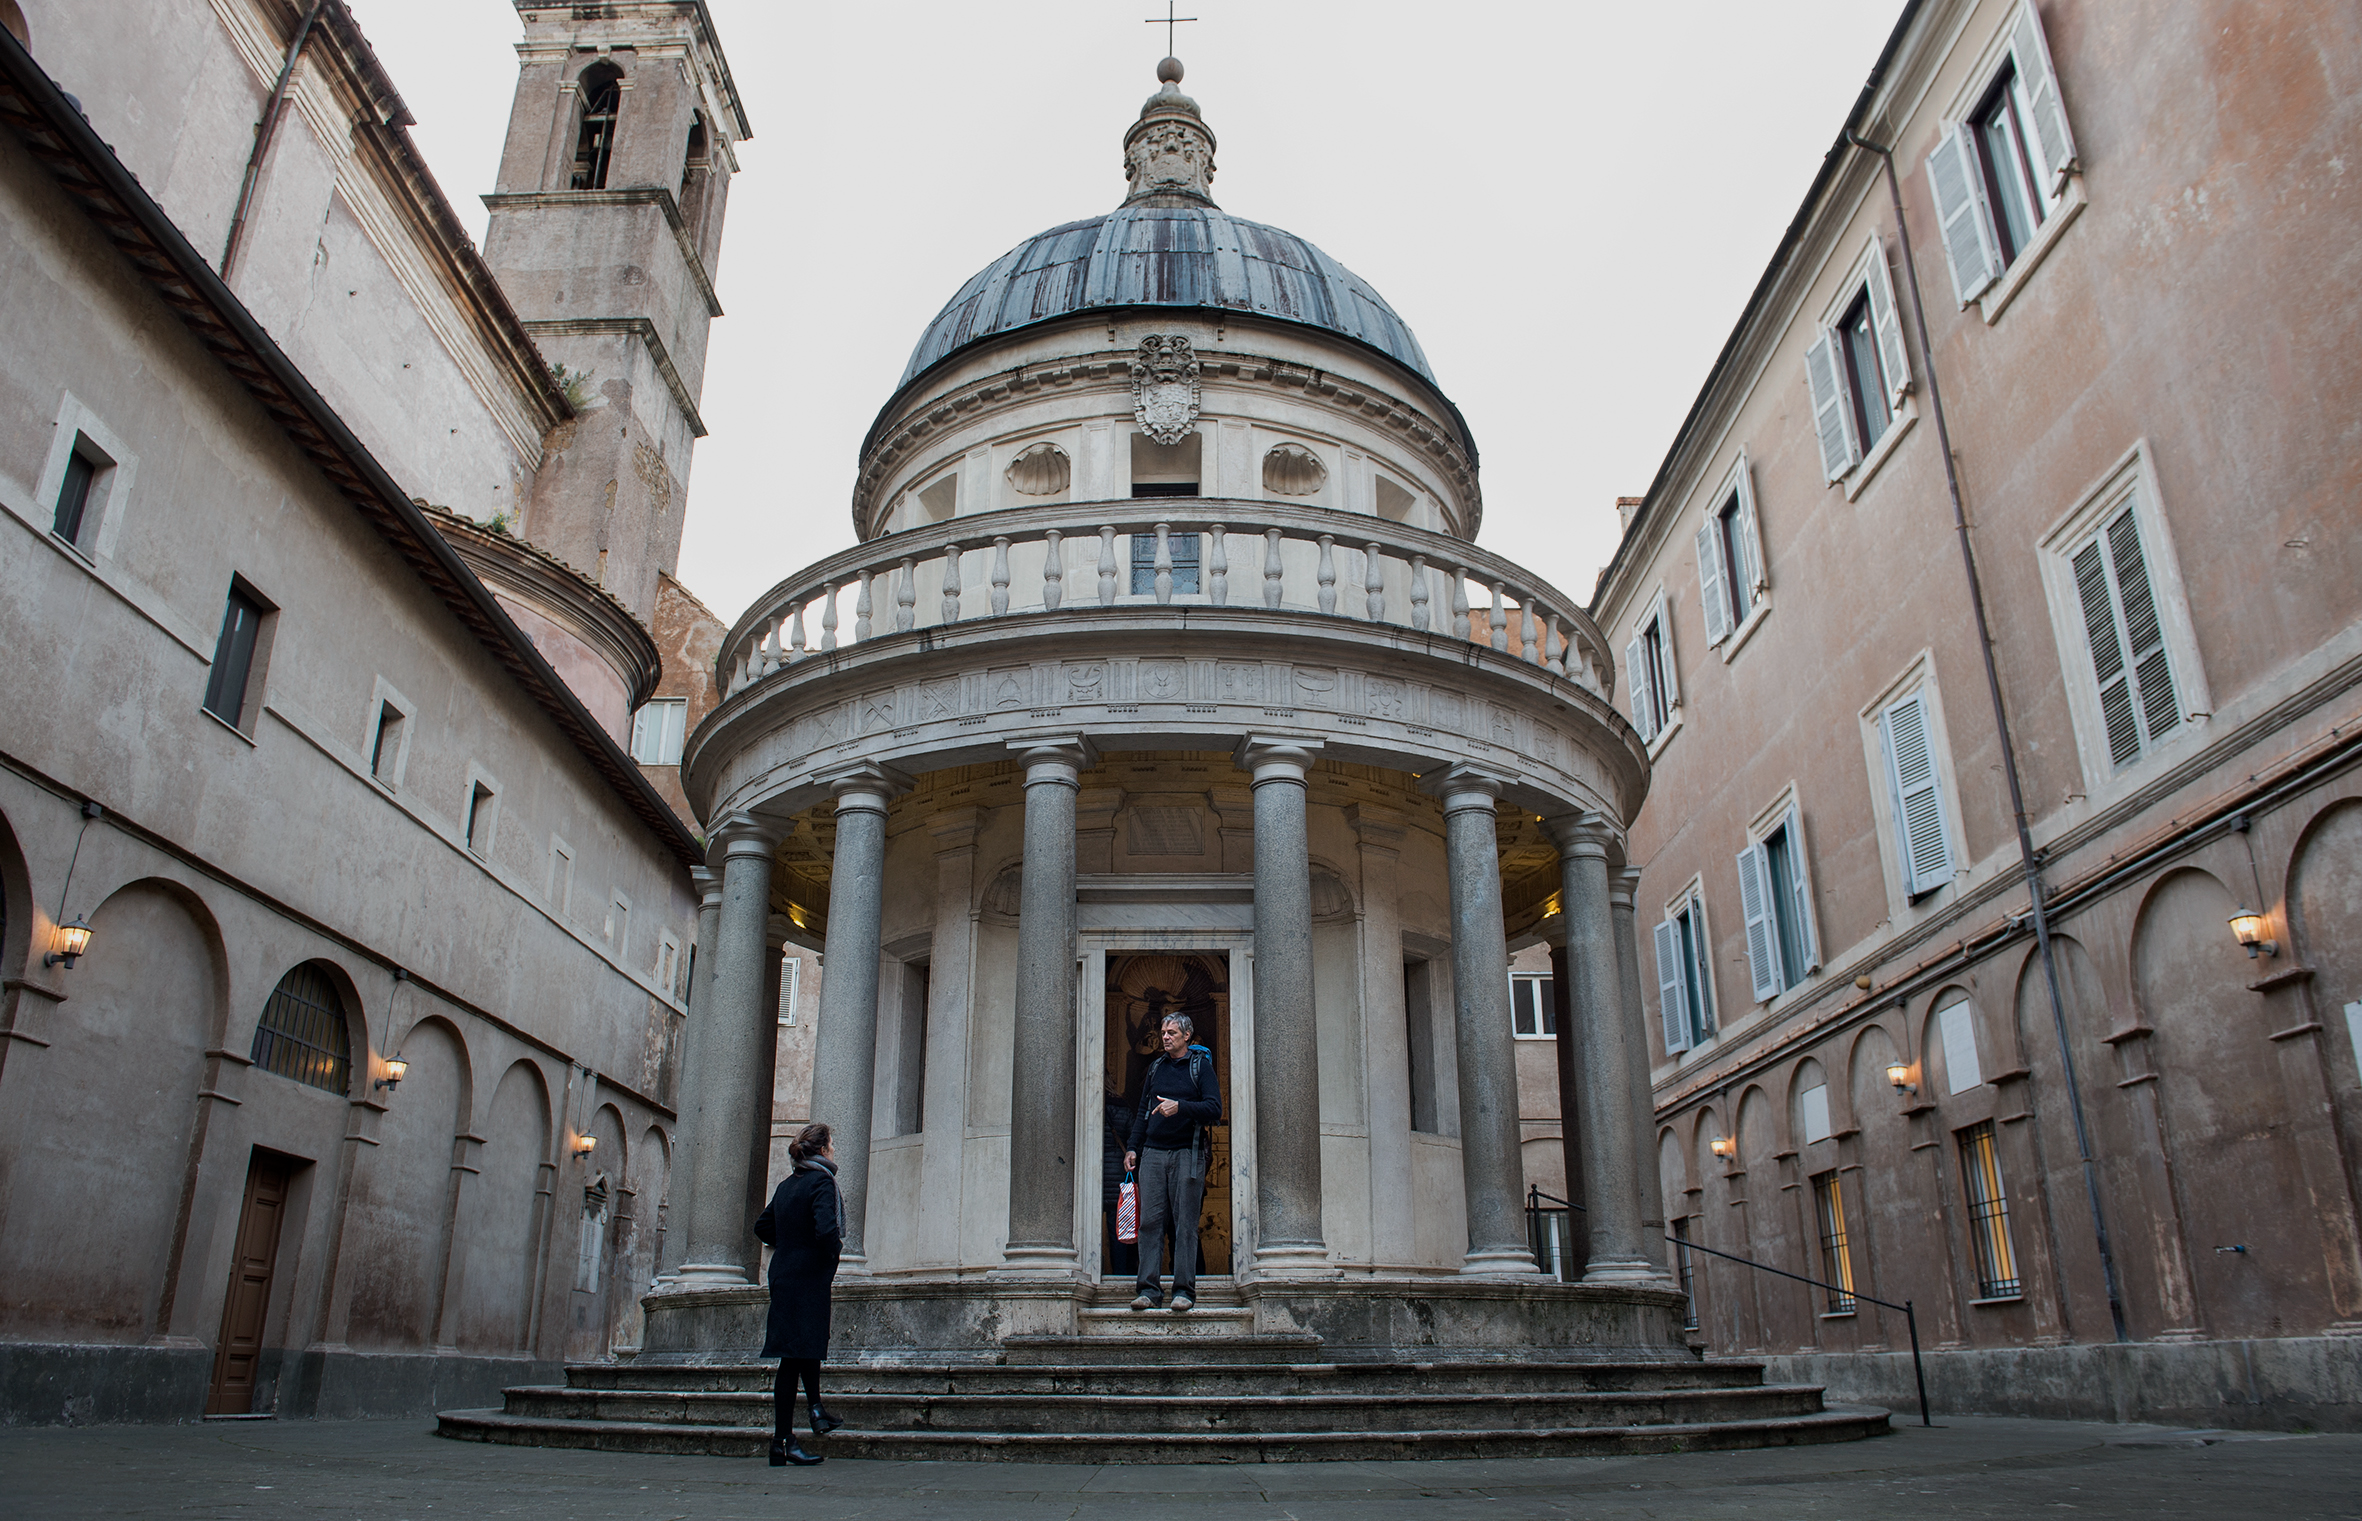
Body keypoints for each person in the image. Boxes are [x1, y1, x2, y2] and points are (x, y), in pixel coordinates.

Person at [753, 1122, 844, 1466]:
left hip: (784, 1275)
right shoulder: (821, 1181)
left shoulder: (786, 1185)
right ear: (821, 1150)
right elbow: (826, 1230)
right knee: (793, 1358)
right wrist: (830, 1252)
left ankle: (815, 1412)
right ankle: (783, 1440)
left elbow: (762, 1226)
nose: (833, 1150)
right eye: (831, 1145)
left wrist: (789, 1243)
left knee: (800, 1350)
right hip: (808, 1277)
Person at [1124, 1013, 1220, 1311]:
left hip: (1186, 1153)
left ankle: (1183, 1291)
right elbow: (1143, 1111)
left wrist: (1180, 1107)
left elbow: (1214, 1108)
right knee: (1149, 1223)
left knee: (1185, 1225)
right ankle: (1149, 1291)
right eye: (1164, 1032)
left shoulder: (1199, 1067)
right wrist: (1132, 1148)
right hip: (1152, 1153)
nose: (1165, 1037)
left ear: (1187, 1036)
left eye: (1172, 1033)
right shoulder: (1155, 1068)